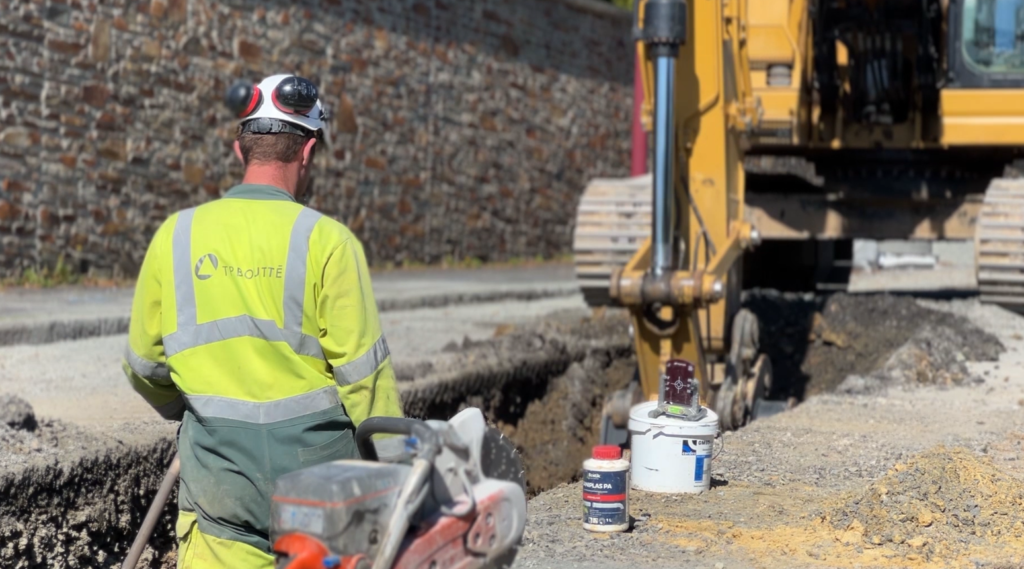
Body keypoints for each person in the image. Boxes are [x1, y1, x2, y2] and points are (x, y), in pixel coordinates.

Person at [122, 74, 404, 569]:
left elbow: (144, 365)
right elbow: (367, 385)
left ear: (240, 150)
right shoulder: (329, 242)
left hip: (220, 493)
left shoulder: (176, 236)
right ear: (308, 152)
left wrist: (188, 408)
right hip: (320, 502)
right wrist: (402, 480)